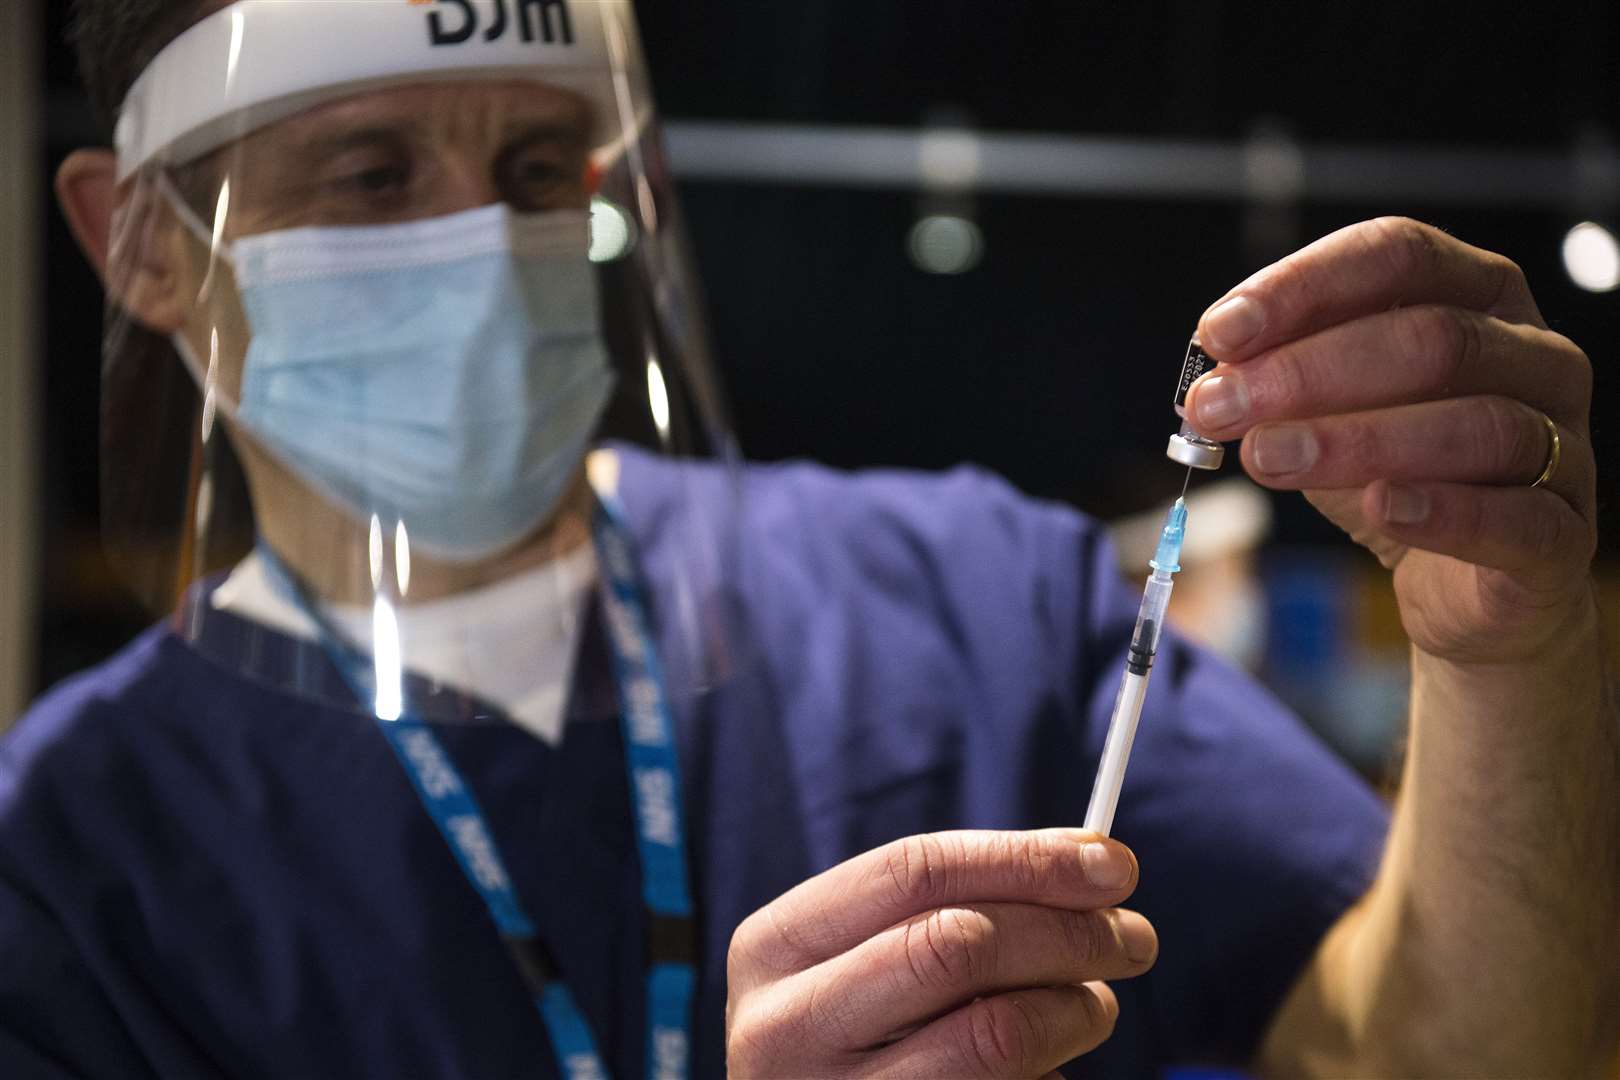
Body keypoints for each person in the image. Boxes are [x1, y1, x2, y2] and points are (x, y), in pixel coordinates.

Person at [5, 0, 1613, 1076]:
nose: (490, 254)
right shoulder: (71, 859)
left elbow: (1425, 1049)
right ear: (143, 244)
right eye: (369, 174)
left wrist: (1511, 653)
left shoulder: (973, 597)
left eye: (534, 170)